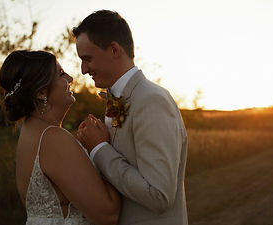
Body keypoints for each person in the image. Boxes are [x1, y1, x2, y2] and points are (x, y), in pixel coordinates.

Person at [73, 10, 188, 225]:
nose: (83, 69)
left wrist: (99, 149)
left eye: (87, 59)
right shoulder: (116, 99)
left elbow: (159, 195)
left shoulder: (152, 100)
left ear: (114, 49)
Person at [0, 50, 121, 225]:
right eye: (61, 74)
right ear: (41, 92)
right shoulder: (52, 138)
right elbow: (109, 214)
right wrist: (100, 147)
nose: (70, 78)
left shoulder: (30, 131)